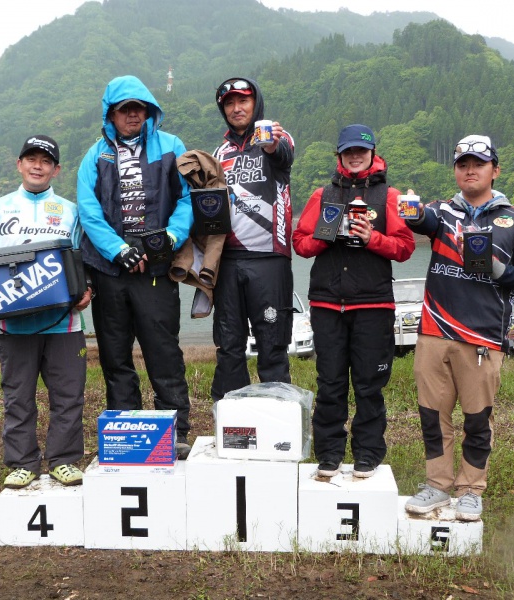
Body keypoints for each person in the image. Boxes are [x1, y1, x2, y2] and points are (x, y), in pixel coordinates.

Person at [403, 134, 514, 520]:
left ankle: (471, 489)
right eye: (462, 164)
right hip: (434, 330)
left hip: (482, 337)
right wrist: (412, 212)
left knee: (477, 419)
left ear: (494, 170)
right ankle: (437, 485)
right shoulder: (443, 211)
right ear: (455, 170)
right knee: (433, 415)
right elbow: (422, 220)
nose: (469, 170)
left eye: (478, 164)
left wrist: (504, 273)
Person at [0, 135, 92, 489]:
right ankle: (23, 463)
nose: (37, 165)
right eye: (30, 159)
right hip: (12, 324)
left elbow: (84, 262)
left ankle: (64, 460)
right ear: (19, 164)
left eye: (45, 161)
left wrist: (87, 290)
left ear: (56, 170)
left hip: (64, 323)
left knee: (68, 396)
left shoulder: (71, 210)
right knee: (17, 398)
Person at [76, 75, 194, 458]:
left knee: (164, 350)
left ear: (148, 111)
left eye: (138, 108)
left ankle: (176, 430)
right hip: (110, 272)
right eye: (124, 109)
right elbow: (88, 211)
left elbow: (188, 198)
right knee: (114, 353)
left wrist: (173, 236)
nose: (132, 115)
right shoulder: (94, 155)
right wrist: (118, 250)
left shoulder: (171, 146)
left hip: (156, 270)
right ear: (110, 113)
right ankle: (125, 431)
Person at [293, 124, 415, 478]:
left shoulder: (390, 197)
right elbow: (301, 244)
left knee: (369, 385)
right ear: (339, 155)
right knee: (329, 383)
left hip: (373, 305)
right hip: (328, 304)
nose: (355, 156)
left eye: (361, 150)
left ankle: (368, 454)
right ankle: (328, 454)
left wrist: (373, 238)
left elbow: (405, 248)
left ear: (373, 153)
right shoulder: (322, 195)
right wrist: (325, 237)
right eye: (348, 151)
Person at [210, 77, 295, 401]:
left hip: (270, 258)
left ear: (255, 102)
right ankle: (232, 424)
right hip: (228, 260)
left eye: (242, 101)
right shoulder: (220, 152)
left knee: (272, 344)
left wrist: (272, 144)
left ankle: (278, 423)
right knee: (229, 346)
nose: (236, 108)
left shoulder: (276, 135)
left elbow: (283, 156)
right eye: (229, 103)